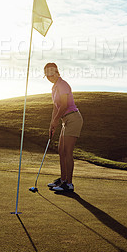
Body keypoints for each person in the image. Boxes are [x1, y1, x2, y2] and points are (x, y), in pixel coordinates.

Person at [44, 62, 83, 192]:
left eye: (51, 73)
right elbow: (56, 107)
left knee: (67, 152)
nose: (50, 76)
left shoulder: (63, 84)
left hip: (73, 118)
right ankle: (62, 179)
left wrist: (55, 121)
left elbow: (65, 105)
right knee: (61, 151)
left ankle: (69, 184)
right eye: (47, 74)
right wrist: (52, 124)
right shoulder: (54, 88)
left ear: (57, 72)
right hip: (65, 120)